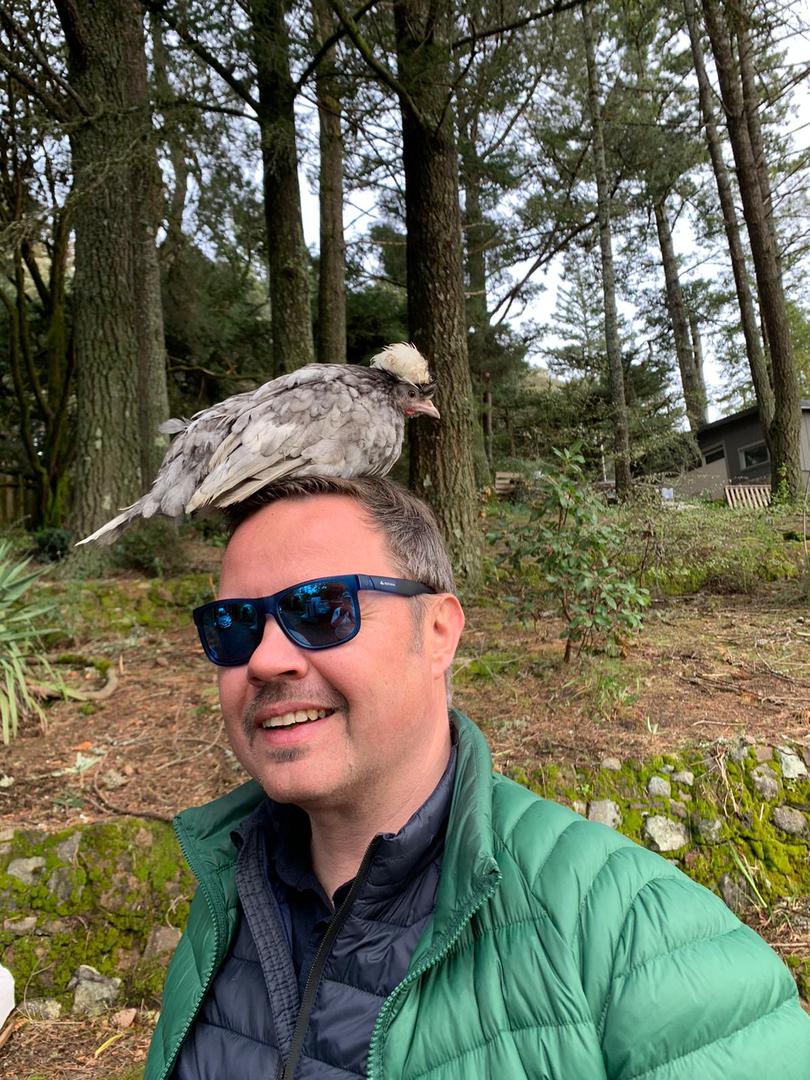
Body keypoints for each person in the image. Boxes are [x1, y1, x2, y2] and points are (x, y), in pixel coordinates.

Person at [145, 476, 810, 1080]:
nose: (265, 660)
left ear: (438, 631)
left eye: (321, 610)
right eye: (232, 626)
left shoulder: (637, 938)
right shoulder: (222, 908)